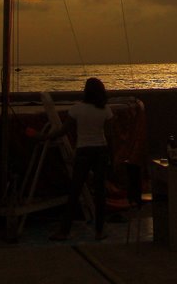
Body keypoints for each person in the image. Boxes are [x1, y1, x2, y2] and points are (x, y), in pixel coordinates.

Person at [47, 77, 113, 241]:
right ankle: (99, 231)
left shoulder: (77, 109)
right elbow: (110, 136)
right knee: (100, 193)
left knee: (75, 191)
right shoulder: (105, 110)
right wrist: (113, 156)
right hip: (101, 151)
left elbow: (63, 131)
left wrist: (44, 137)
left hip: (83, 151)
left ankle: (64, 231)